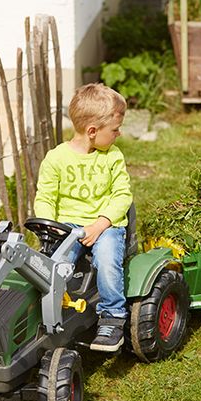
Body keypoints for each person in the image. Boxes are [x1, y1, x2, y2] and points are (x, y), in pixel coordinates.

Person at [34, 83, 133, 350]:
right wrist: (50, 229)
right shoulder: (56, 159)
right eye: (114, 129)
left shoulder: (112, 156)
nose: (118, 133)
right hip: (67, 226)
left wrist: (101, 224)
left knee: (106, 259)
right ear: (92, 132)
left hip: (106, 224)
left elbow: (123, 196)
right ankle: (49, 313)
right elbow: (45, 197)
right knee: (53, 266)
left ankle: (112, 316)